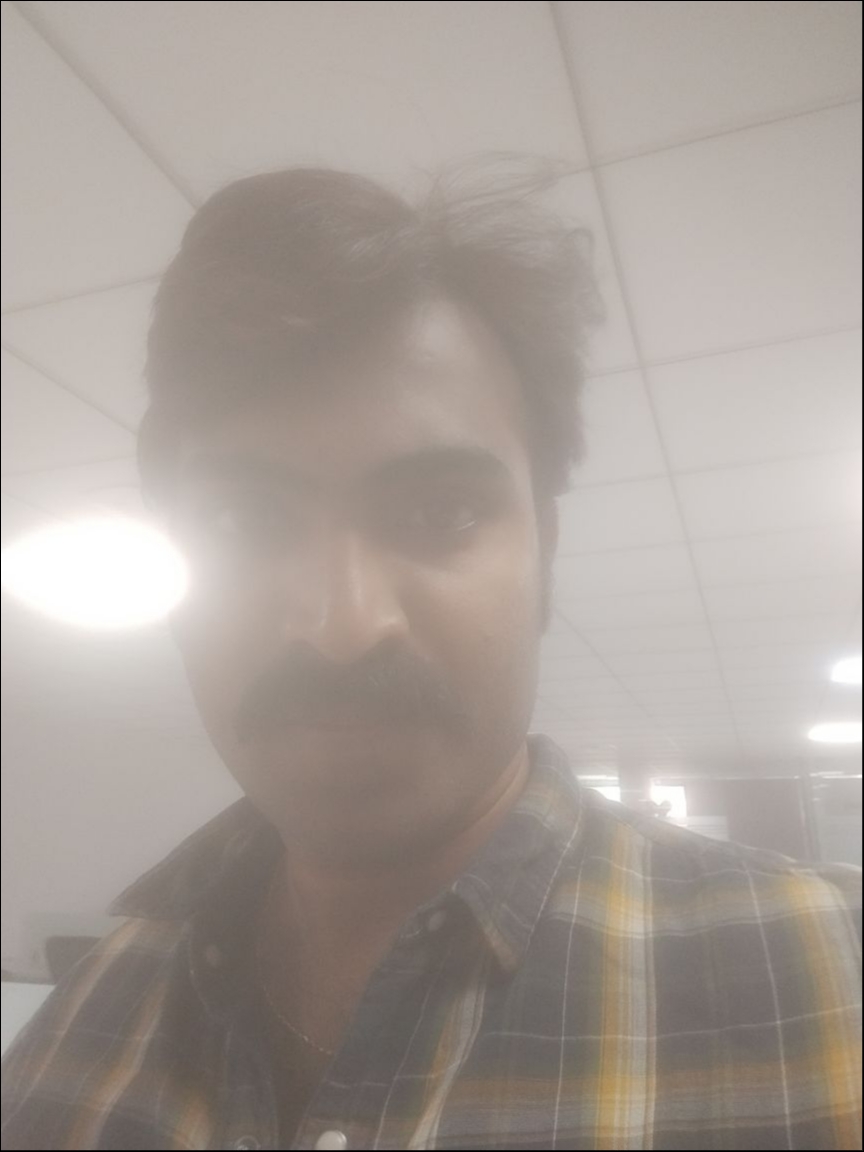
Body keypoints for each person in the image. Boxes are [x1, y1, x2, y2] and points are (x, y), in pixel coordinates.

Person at [1, 165, 860, 1152]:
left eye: (441, 512)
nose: (342, 625)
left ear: (545, 555)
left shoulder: (830, 979)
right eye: (242, 521)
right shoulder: (73, 1033)